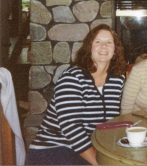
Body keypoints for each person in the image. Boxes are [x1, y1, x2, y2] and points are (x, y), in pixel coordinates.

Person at [26, 24, 127, 165]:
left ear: (115, 50)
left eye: (109, 42)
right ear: (89, 47)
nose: (104, 46)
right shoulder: (72, 78)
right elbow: (71, 128)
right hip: (54, 148)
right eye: (98, 42)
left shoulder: (117, 79)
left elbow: (109, 122)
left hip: (89, 148)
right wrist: (100, 163)